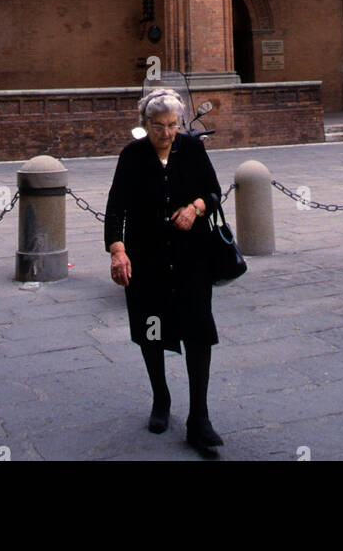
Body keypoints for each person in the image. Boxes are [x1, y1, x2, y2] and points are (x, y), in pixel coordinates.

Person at [105, 88, 223, 452]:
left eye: (173, 125)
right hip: (148, 259)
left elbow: (215, 192)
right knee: (151, 330)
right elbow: (115, 210)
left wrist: (195, 208)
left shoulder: (192, 149)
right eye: (159, 126)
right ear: (144, 124)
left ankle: (199, 417)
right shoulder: (132, 157)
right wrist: (118, 252)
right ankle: (161, 398)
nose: (167, 133)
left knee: (199, 331)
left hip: (191, 257)